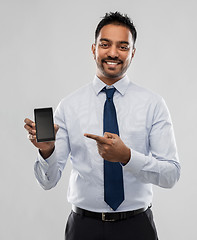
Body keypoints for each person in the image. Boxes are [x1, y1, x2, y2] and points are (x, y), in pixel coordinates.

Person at [24, 12, 180, 240]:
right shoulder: (69, 106)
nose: (113, 53)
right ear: (93, 49)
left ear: (132, 53)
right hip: (84, 227)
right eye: (105, 44)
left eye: (123, 46)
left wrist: (127, 156)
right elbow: (48, 182)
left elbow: (171, 175)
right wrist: (47, 151)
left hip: (137, 227)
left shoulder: (153, 104)